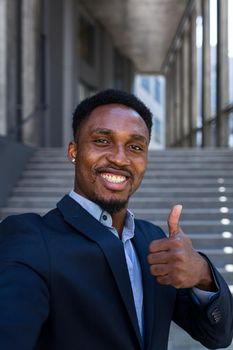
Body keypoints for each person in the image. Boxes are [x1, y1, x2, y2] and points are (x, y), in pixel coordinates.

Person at [0, 89, 232, 350]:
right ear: (73, 151)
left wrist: (201, 272)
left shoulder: (154, 242)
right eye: (102, 141)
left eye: (135, 147)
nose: (120, 158)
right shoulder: (30, 239)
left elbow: (218, 337)